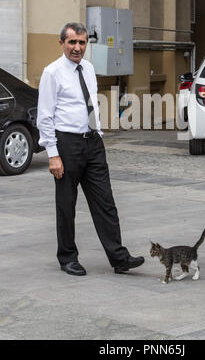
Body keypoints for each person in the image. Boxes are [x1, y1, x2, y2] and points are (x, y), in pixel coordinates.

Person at [37, 22, 144, 276]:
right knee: (66, 205)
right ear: (61, 42)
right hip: (67, 144)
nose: (77, 48)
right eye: (72, 42)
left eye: (82, 42)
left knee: (105, 202)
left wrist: (97, 133)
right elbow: (44, 116)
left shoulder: (88, 68)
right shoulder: (52, 73)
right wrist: (53, 154)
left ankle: (119, 258)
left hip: (92, 142)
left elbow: (89, 104)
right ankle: (67, 258)